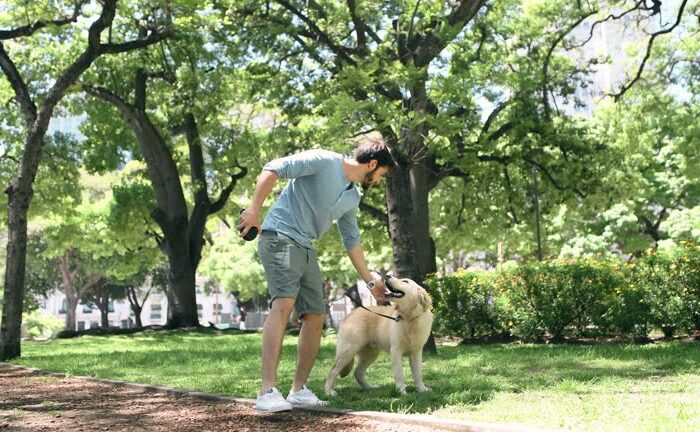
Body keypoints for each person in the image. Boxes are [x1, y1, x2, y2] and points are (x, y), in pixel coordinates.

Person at [238, 136, 397, 413]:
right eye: (381, 174)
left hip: (305, 245)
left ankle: (298, 390)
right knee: (284, 304)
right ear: (372, 163)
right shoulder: (324, 160)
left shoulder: (352, 196)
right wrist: (254, 210)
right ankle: (267, 391)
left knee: (315, 314)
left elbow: (352, 241)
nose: (379, 180)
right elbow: (273, 168)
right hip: (279, 237)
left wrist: (371, 282)